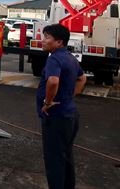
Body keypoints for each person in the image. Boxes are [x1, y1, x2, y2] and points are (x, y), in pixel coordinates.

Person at [37, 24, 87, 189]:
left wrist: (47, 102)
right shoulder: (70, 57)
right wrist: (69, 97)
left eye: (47, 38)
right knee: (66, 156)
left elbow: (53, 80)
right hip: (70, 115)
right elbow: (82, 79)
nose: (43, 41)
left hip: (56, 117)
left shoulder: (54, 58)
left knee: (54, 160)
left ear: (59, 42)